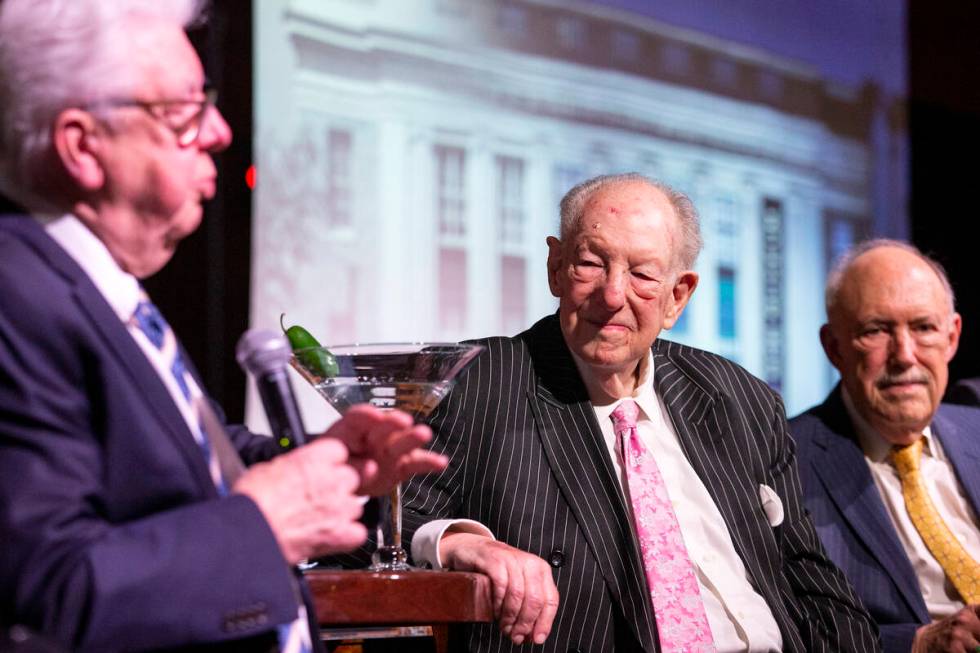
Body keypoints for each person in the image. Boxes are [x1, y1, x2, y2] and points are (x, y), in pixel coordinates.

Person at [0, 2, 446, 651]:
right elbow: (48, 595)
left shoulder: (105, 292)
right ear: (82, 146)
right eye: (182, 113)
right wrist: (264, 521)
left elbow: (190, 466)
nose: (220, 132)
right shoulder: (18, 294)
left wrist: (323, 467)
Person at [401, 173, 880, 652]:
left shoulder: (739, 399)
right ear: (555, 266)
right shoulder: (476, 380)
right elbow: (372, 528)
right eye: (590, 263)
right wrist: (462, 542)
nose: (612, 295)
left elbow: (809, 578)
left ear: (678, 296)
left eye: (643, 275)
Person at [789, 240, 980, 653]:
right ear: (834, 348)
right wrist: (917, 643)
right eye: (876, 330)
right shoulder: (784, 461)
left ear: (952, 337)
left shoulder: (976, 426)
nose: (905, 356)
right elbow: (783, 621)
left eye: (924, 328)